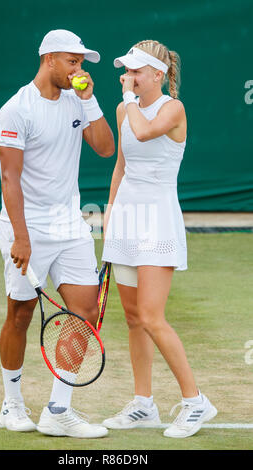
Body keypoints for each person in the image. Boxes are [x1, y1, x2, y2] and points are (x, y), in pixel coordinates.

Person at [0, 29, 115, 438]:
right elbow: (10, 179)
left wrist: (88, 99)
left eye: (81, 63)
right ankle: (11, 404)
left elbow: (105, 148)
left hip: (70, 227)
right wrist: (21, 237)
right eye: (72, 62)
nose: (78, 70)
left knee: (86, 312)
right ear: (49, 60)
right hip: (26, 226)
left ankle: (58, 410)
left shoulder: (77, 101)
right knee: (20, 314)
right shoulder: (16, 109)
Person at [101, 40, 217, 438]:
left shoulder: (172, 109)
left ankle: (195, 401)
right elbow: (121, 165)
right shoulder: (123, 109)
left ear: (157, 75)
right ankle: (143, 404)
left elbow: (145, 132)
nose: (128, 76)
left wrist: (127, 98)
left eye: (136, 71)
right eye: (127, 70)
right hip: (127, 220)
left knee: (152, 316)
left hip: (158, 222)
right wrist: (109, 215)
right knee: (133, 319)